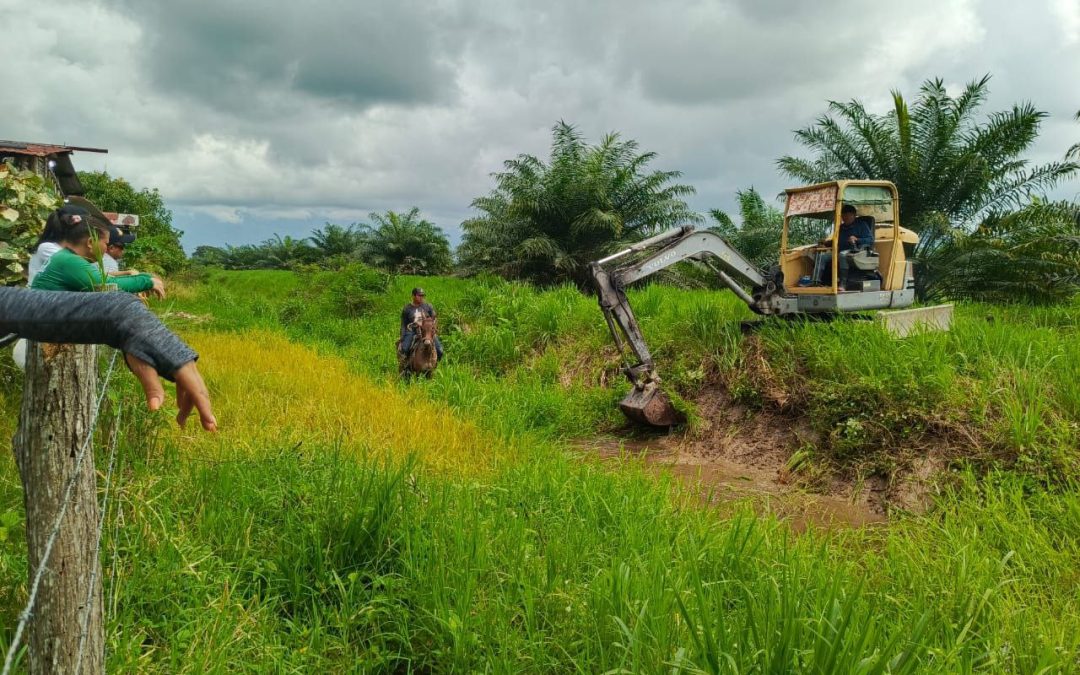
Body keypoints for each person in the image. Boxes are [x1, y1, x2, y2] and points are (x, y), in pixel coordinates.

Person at [0, 287, 216, 431]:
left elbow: (12, 305)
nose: (113, 248)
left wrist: (120, 316)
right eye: (108, 242)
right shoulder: (68, 260)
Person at [30, 205, 165, 298]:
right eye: (106, 243)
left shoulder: (65, 256)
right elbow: (106, 286)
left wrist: (145, 277)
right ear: (90, 242)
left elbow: (101, 281)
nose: (107, 249)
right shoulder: (69, 261)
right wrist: (147, 282)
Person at [812, 204, 875, 287]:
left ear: (854, 215)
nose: (845, 218)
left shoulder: (862, 225)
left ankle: (843, 284)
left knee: (842, 255)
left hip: (857, 252)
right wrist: (825, 243)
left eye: (848, 216)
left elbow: (870, 240)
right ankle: (816, 282)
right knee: (822, 256)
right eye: (843, 216)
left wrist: (857, 239)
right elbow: (837, 240)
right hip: (840, 252)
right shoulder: (841, 228)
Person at [398, 287, 443, 362]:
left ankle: (434, 364)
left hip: (426, 331)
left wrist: (433, 329)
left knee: (440, 350)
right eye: (419, 296)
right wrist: (402, 336)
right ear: (413, 296)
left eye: (423, 296)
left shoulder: (428, 306)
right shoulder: (407, 308)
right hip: (412, 330)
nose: (422, 298)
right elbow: (403, 324)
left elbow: (434, 319)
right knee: (404, 349)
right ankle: (405, 366)